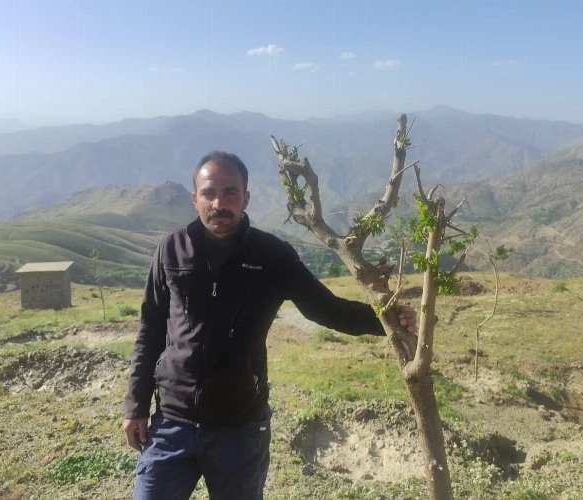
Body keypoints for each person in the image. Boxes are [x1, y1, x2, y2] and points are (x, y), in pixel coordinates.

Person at [123, 151, 416, 499]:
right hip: (172, 421)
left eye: (230, 193)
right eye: (209, 193)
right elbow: (150, 329)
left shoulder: (272, 255)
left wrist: (386, 319)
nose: (219, 203)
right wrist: (136, 405)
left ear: (246, 198)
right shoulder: (171, 249)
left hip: (240, 428)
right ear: (195, 198)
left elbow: (326, 309)